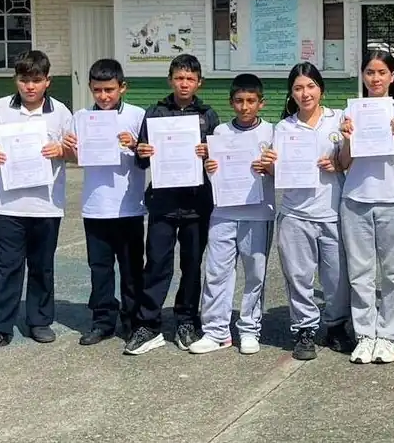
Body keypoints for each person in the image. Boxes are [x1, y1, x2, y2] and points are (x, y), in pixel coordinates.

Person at [0, 50, 73, 355]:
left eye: (36, 80)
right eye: (24, 80)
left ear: (47, 81)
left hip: (46, 203)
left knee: (42, 266)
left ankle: (39, 321)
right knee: (6, 267)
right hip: (6, 203)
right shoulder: (0, 108)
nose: (30, 86)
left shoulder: (61, 113)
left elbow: (77, 151)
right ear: (16, 80)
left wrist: (61, 151)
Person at [127, 54, 220, 355]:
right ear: (170, 80)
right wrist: (141, 151)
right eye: (179, 78)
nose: (184, 84)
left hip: (197, 204)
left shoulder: (208, 115)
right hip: (163, 203)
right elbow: (141, 161)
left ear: (198, 82)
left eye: (190, 79)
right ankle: (148, 324)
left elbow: (218, 164)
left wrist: (209, 153)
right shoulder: (154, 113)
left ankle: (186, 320)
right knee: (156, 264)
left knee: (192, 266)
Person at [189, 74, 276, 356]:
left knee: (255, 273)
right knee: (216, 272)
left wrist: (271, 167)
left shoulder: (272, 133)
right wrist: (210, 167)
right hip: (224, 212)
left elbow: (283, 172)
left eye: (251, 101)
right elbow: (211, 171)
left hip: (258, 213)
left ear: (261, 104)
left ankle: (250, 328)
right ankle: (216, 331)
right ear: (231, 103)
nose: (245, 107)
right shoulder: (220, 134)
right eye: (239, 101)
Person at [63, 59, 147, 346]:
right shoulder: (81, 117)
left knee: (132, 268)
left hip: (129, 206)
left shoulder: (138, 116)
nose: (104, 96)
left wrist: (136, 146)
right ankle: (102, 321)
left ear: (122, 87)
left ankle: (133, 320)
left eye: (110, 89)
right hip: (95, 206)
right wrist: (70, 151)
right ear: (90, 88)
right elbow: (74, 159)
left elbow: (148, 158)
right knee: (99, 268)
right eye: (97, 90)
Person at [275, 62, 354, 361]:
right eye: (298, 88)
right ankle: (304, 329)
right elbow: (275, 170)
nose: (305, 93)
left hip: (332, 211)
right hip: (295, 214)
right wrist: (269, 163)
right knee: (299, 276)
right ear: (291, 93)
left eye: (310, 86)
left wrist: (339, 160)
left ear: (321, 88)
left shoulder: (339, 119)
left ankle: (335, 326)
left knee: (336, 278)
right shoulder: (283, 128)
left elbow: (349, 161)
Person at [338, 49, 394, 365]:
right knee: (360, 272)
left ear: (392, 76)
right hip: (355, 198)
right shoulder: (350, 113)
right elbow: (344, 163)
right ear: (363, 76)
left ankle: (388, 335)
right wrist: (346, 139)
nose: (376, 78)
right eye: (370, 72)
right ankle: (366, 334)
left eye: (382, 72)